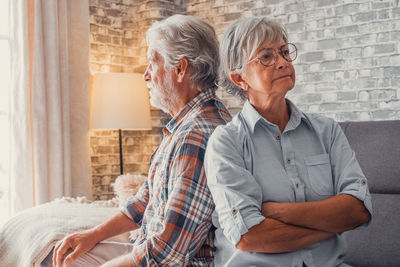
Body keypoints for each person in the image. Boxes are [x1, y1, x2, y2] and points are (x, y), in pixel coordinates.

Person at [47, 14, 231, 267]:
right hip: (148, 251)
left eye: (152, 63)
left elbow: (169, 252)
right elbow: (143, 203)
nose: (145, 75)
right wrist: (92, 236)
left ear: (180, 69)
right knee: (63, 255)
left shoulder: (197, 135)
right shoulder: (184, 126)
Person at [204, 17, 372, 267]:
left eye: (284, 52)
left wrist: (276, 211)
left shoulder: (327, 131)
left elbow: (358, 211)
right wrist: (330, 225)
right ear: (240, 79)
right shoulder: (227, 143)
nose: (282, 62)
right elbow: (250, 236)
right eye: (266, 57)